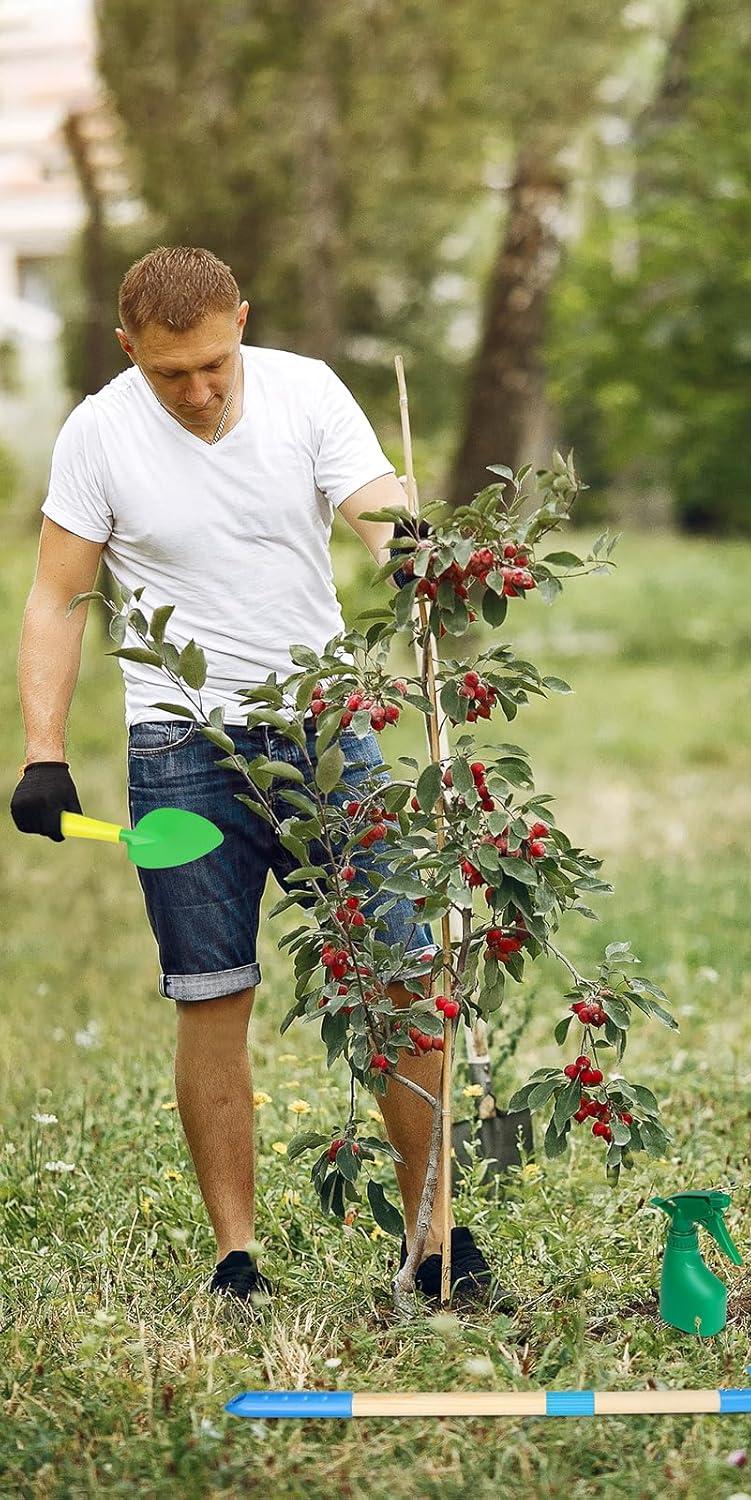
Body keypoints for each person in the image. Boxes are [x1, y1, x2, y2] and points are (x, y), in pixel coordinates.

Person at [9, 246, 491, 1302]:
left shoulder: (308, 391)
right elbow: (55, 596)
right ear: (130, 348)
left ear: (243, 323)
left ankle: (433, 1242)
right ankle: (238, 1258)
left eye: (216, 363)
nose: (198, 390)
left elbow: (372, 506)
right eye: (169, 372)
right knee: (211, 996)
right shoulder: (97, 432)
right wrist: (44, 748)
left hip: (326, 732)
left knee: (404, 978)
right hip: (180, 751)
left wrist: (407, 544)